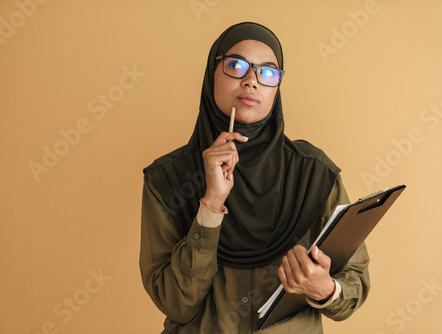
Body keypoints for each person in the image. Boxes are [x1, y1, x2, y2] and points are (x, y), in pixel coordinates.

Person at [140, 22, 370, 333]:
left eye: (268, 72)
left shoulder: (313, 173)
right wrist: (211, 204)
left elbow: (354, 281)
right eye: (236, 65)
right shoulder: (167, 179)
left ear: (277, 87)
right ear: (212, 74)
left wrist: (325, 289)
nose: (251, 81)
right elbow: (177, 303)